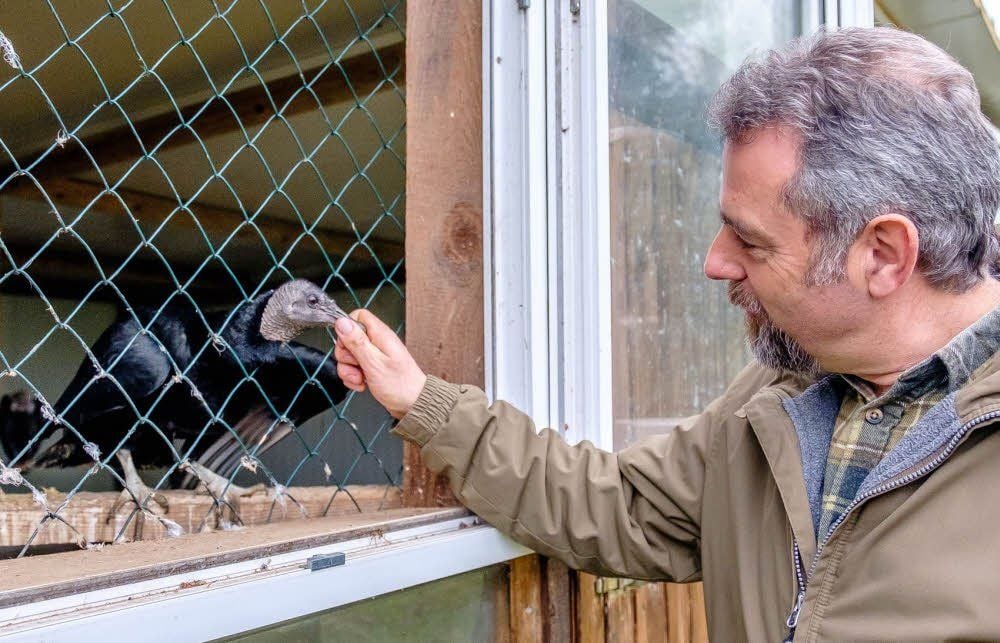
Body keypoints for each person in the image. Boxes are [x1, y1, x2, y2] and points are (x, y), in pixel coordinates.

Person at [333, 26, 1000, 642]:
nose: (715, 261)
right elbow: (617, 504)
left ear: (883, 254)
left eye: (752, 240)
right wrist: (423, 401)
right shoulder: (778, 398)